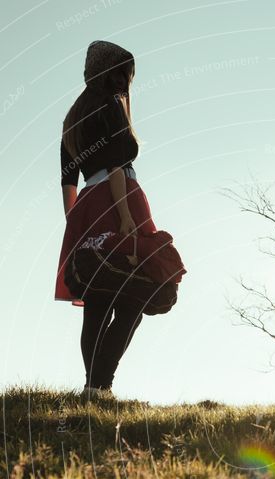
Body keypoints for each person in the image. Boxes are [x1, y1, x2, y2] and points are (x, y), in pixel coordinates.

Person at [56, 40, 152, 399]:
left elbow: (67, 179)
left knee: (98, 300)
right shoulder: (110, 105)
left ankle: (92, 388)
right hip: (120, 197)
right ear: (107, 74)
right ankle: (101, 385)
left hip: (86, 205)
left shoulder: (70, 119)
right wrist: (126, 216)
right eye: (121, 73)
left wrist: (74, 223)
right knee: (135, 296)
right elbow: (115, 164)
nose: (125, 81)